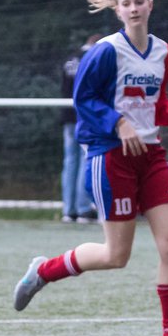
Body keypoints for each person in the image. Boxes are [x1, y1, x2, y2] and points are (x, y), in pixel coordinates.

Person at [13, 0, 168, 336]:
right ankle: (43, 271)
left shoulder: (162, 52)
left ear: (151, 4)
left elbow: (157, 98)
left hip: (151, 156)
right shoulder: (104, 51)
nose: (134, 8)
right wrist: (118, 123)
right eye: (127, 3)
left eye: (140, 1)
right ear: (117, 10)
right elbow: (83, 98)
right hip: (111, 157)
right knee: (115, 256)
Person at [60, 35, 101, 223]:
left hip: (68, 116)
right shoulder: (94, 58)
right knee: (86, 161)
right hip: (86, 118)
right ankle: (84, 209)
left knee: (70, 162)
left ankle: (69, 210)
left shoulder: (70, 59)